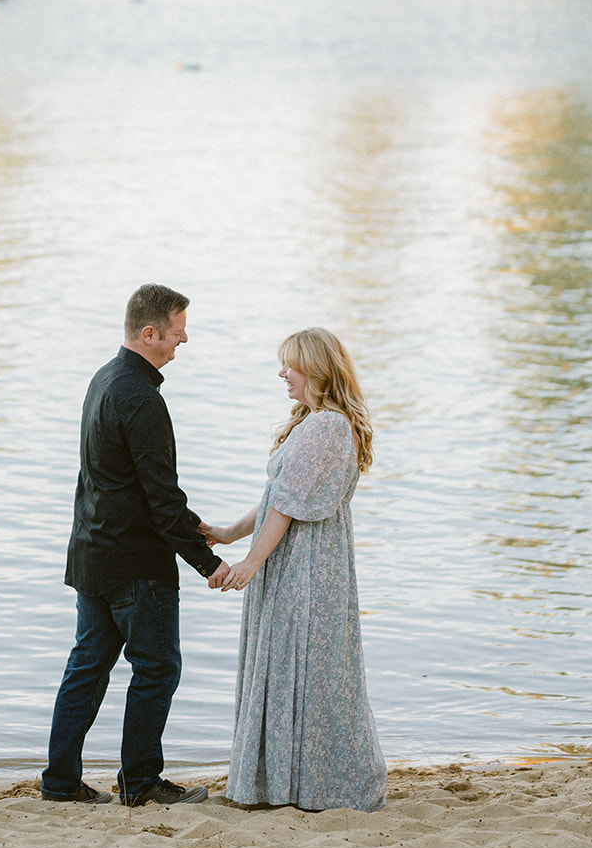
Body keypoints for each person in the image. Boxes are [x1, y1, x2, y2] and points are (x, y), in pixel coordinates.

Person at [42, 284, 229, 807]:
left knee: (87, 667)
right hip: (134, 565)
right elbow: (160, 498)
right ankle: (141, 782)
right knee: (158, 668)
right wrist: (208, 562)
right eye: (176, 331)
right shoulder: (141, 398)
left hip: (92, 554)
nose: (183, 340)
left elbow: (118, 482)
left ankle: (59, 783)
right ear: (150, 333)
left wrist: (196, 528)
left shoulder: (105, 379)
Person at [201, 327, 386, 813]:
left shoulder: (326, 426)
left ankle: (297, 785)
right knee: (307, 669)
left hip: (303, 565)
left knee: (295, 666)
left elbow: (284, 507)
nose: (282, 373)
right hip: (308, 559)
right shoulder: (320, 423)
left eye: (290, 365)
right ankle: (295, 780)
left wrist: (249, 563)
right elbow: (274, 500)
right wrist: (226, 534)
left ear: (317, 370)